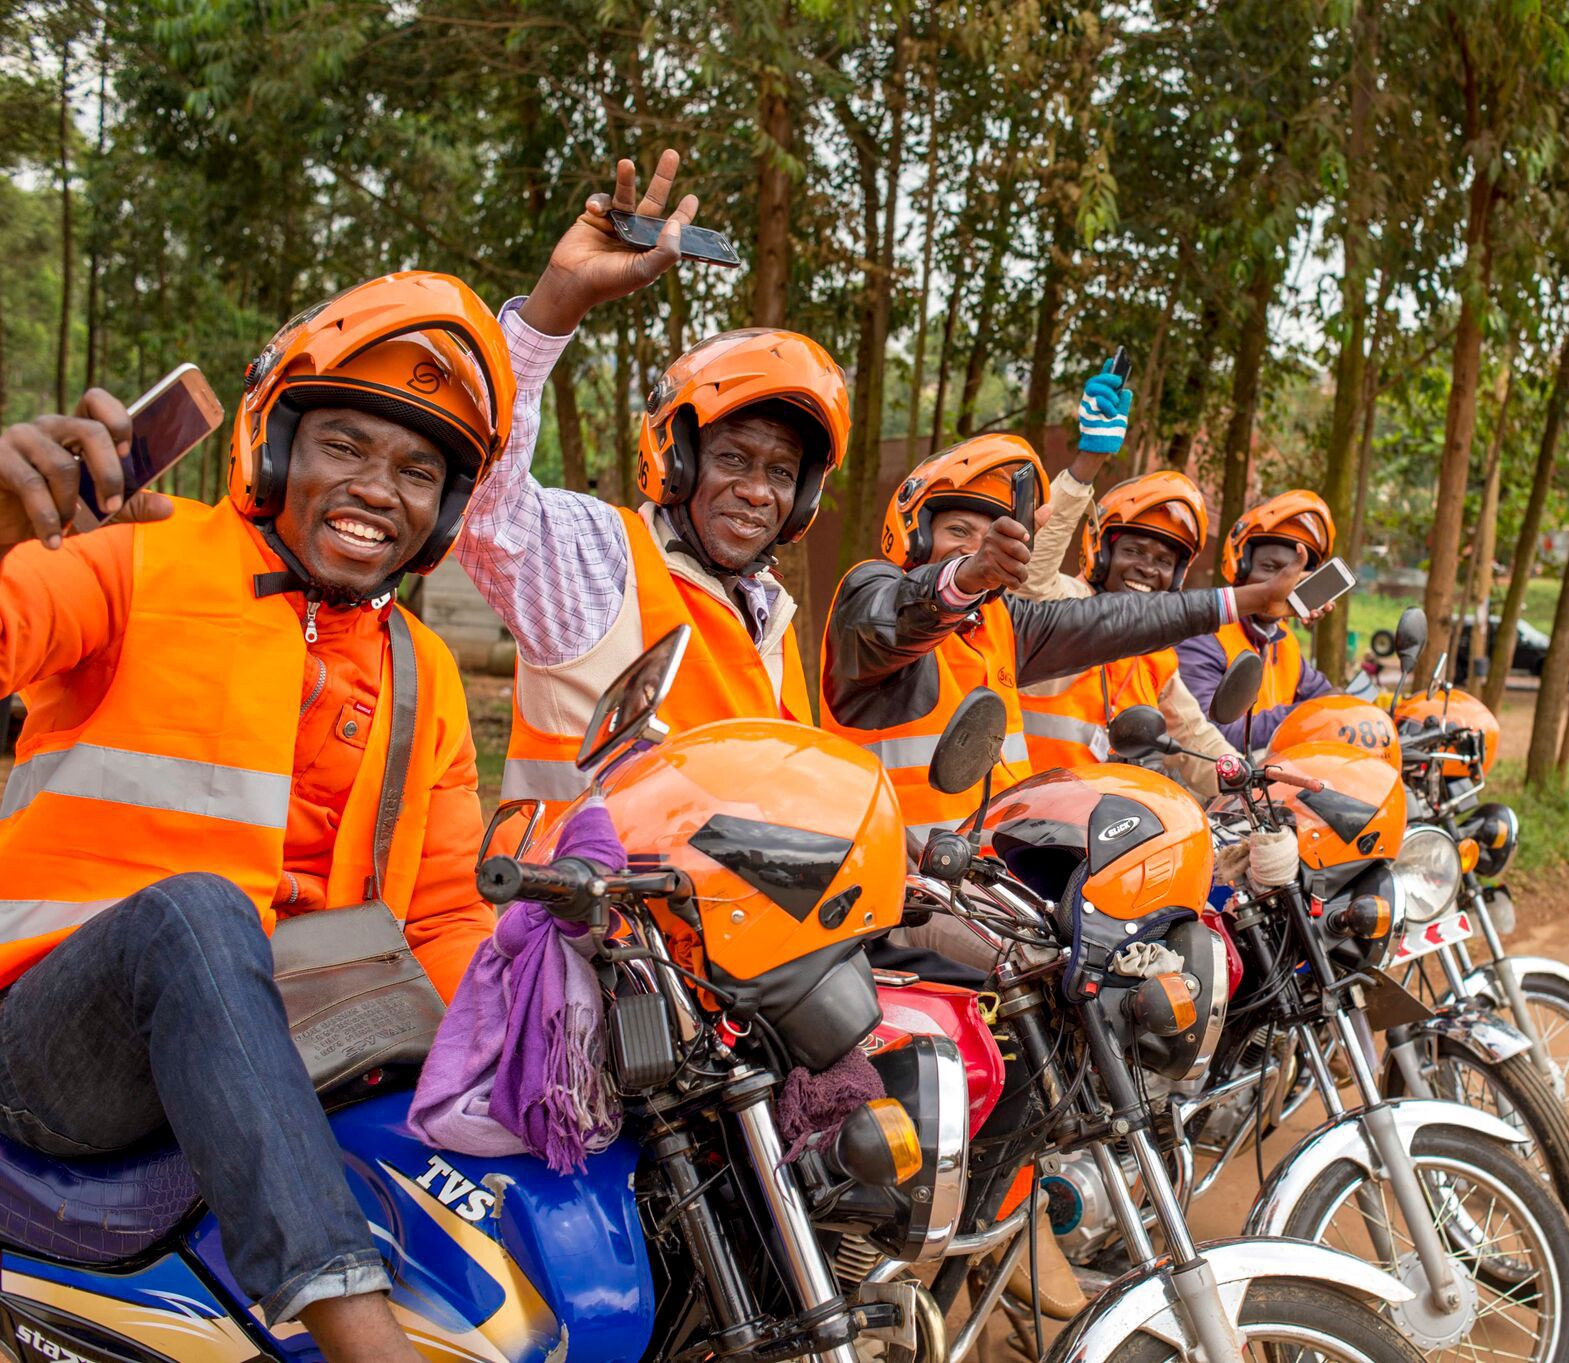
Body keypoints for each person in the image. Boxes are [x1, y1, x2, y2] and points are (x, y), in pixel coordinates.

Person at [0, 272, 511, 1362]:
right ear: (270, 447)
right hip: (50, 1046)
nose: (380, 487)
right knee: (196, 911)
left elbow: (448, 916)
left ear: (446, 512)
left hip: (292, 1056)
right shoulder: (137, 554)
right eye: (344, 445)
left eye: (419, 470)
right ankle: (357, 1337)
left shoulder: (424, 670)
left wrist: (515, 1064)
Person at [459, 151, 848, 805]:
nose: (758, 490)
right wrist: (561, 295)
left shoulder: (771, 615)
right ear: (678, 458)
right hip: (577, 910)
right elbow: (483, 504)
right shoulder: (600, 563)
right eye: (733, 459)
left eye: (781, 472)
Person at [821, 435, 1305, 840]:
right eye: (959, 530)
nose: (977, 547)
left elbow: (1122, 622)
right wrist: (969, 575)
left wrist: (1250, 600)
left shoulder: (1003, 622)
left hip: (1007, 866)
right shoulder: (870, 592)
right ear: (916, 533)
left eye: (992, 536)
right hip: (906, 885)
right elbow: (894, 621)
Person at [1012, 365, 1237, 794]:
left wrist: (1250, 778)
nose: (1147, 568)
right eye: (1133, 551)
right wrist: (1085, 467)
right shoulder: (1065, 606)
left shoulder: (1155, 655)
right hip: (1020, 834)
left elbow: (1196, 741)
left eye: (1163, 559)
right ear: (1101, 551)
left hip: (1112, 837)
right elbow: (1031, 579)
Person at [1177, 490, 1340, 753]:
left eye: (1295, 572)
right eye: (1270, 568)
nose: (1282, 583)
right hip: (1212, 786)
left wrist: (1339, 705)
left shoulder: (1284, 640)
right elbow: (1218, 734)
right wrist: (1317, 714)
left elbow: (1325, 694)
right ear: (1239, 568)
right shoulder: (1204, 637)